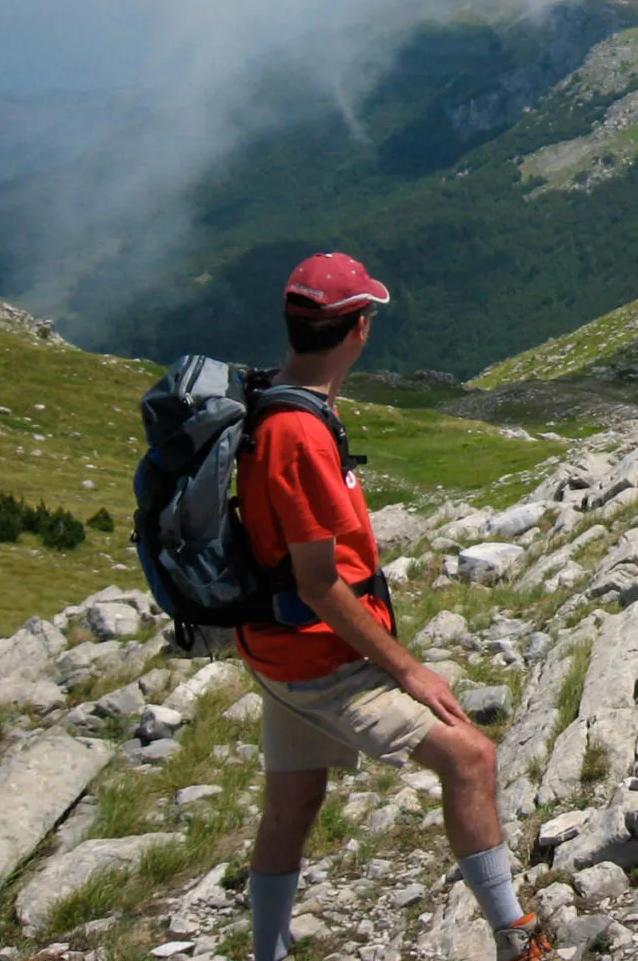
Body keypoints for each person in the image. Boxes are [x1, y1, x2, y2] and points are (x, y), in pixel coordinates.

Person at [238, 252, 552, 961]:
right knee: (470, 758)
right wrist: (410, 671)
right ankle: (517, 940)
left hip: (278, 649)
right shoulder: (299, 432)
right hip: (321, 657)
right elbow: (318, 582)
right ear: (357, 330)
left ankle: (267, 952)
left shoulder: (285, 400)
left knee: (294, 801)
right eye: (367, 316)